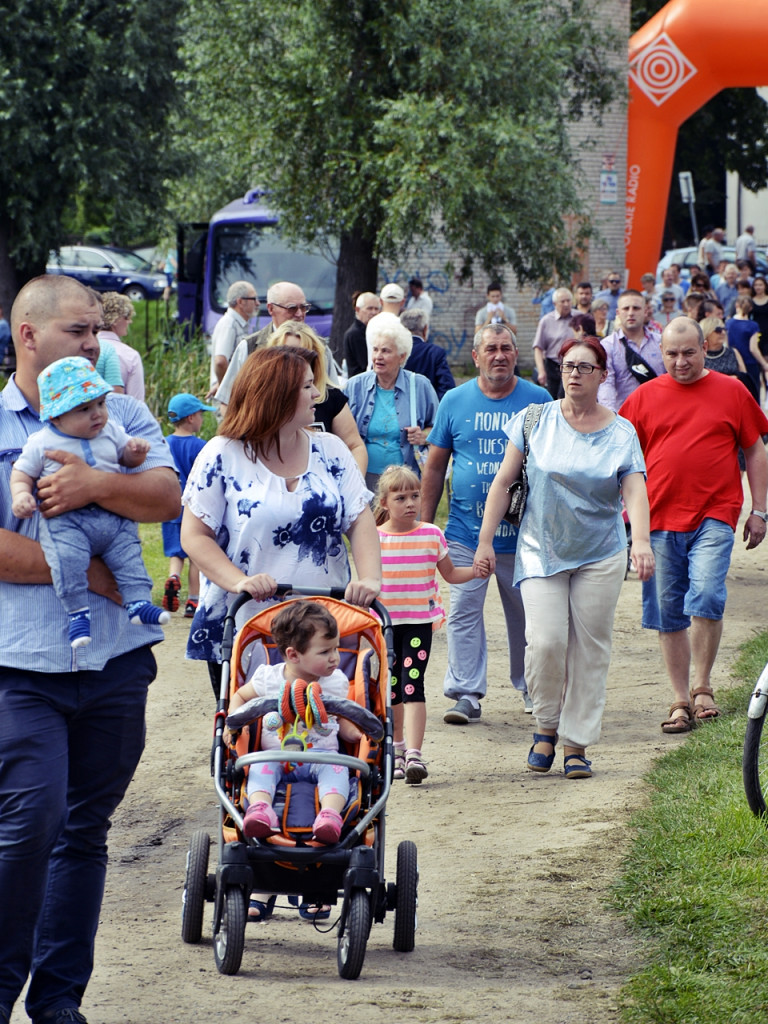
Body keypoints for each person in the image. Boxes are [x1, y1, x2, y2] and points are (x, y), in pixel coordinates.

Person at [0, 274, 179, 1024]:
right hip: (23, 667)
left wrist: (93, 483)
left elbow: (166, 495)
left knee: (84, 832)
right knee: (28, 829)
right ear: (29, 336)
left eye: (99, 328)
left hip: (114, 663)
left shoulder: (123, 411)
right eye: (79, 329)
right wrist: (96, 573)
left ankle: (59, 1002)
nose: (95, 340)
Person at [474, 337, 654, 779]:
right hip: (540, 548)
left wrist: (643, 542)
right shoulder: (535, 420)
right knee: (547, 641)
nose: (574, 374)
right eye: (568, 366)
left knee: (591, 649)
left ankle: (576, 743)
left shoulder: (621, 431)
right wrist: (484, 541)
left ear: (602, 375)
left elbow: (634, 489)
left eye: (584, 367)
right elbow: (503, 482)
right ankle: (546, 725)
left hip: (600, 552)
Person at [180, 346, 381, 696]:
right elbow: (195, 536)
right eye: (307, 386)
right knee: (250, 734)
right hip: (245, 623)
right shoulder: (222, 453)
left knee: (326, 730)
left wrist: (370, 579)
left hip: (319, 625)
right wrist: (240, 581)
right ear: (277, 395)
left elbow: (360, 521)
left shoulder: (331, 450)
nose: (318, 394)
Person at [620, 317, 768, 733]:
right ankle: (680, 698)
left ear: (705, 348)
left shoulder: (732, 390)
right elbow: (622, 460)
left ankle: (703, 686)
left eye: (689, 352)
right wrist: (628, 517)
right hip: (659, 519)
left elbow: (755, 450)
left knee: (705, 593)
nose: (680, 361)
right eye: (671, 354)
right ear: (660, 353)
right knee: (669, 612)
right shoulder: (643, 398)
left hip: (715, 514)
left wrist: (760, 510)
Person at [420, 323, 552, 721]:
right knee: (463, 609)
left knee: (527, 614)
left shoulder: (539, 401)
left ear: (517, 354)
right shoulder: (455, 401)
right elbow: (434, 467)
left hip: (524, 535)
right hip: (464, 531)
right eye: (491, 349)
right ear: (476, 356)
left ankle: (533, 688)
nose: (499, 355)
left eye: (507, 348)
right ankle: (466, 694)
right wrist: (424, 529)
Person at [10, 356, 170, 648]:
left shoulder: (110, 430)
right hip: (67, 522)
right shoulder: (42, 441)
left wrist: (137, 453)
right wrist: (21, 494)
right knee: (67, 563)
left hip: (112, 517)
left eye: (100, 404)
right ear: (56, 416)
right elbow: (22, 472)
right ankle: (77, 614)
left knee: (129, 557)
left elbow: (125, 456)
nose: (97, 414)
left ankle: (138, 604)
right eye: (84, 408)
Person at [374, 465, 486, 784]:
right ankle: (394, 751)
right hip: (385, 626)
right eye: (400, 497)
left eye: (415, 496)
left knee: (412, 684)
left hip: (419, 625)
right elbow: (366, 583)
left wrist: (476, 571)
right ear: (384, 503)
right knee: (392, 688)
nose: (410, 503)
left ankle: (414, 755)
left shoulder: (431, 534)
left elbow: (450, 574)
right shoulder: (375, 539)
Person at [228, 600, 362, 845]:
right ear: (293, 655)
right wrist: (234, 723)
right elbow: (240, 696)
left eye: (336, 648)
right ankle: (260, 809)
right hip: (275, 756)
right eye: (325, 652)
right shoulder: (268, 679)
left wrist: (355, 734)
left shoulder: (336, 682)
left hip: (324, 757)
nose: (335, 658)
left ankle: (329, 815)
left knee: (339, 772)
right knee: (258, 769)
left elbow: (340, 719)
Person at [345, 312, 438, 493]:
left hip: (404, 481)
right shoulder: (354, 386)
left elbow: (441, 429)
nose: (378, 356)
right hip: (362, 478)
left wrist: (425, 435)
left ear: (402, 357)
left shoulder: (419, 385)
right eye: (375, 349)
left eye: (386, 351)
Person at [265, 320, 367, 475]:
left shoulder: (329, 397)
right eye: (289, 354)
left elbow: (355, 446)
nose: (296, 362)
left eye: (304, 355)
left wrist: (352, 488)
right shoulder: (262, 400)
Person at [216, 282, 337, 407]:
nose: (300, 314)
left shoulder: (319, 347)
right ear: (271, 309)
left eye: (304, 307)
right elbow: (227, 400)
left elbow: (335, 398)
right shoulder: (249, 347)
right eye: (292, 308)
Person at [162, 393, 215, 618]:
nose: (202, 418)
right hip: (193, 507)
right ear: (192, 418)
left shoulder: (163, 443)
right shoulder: (201, 446)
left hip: (170, 506)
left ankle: (174, 577)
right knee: (195, 556)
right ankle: (193, 601)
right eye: (201, 414)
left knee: (177, 552)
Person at [597, 290, 664, 412]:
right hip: (625, 418)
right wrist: (611, 417)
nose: (631, 313)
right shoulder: (607, 346)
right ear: (618, 313)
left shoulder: (661, 342)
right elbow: (606, 384)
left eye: (636, 308)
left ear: (645, 312)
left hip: (659, 413)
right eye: (626, 308)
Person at [208, 280, 258, 400]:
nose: (257, 303)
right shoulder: (229, 325)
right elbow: (220, 361)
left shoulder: (237, 323)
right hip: (228, 399)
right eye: (254, 299)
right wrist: (226, 389)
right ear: (240, 302)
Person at [400, 307, 456, 400]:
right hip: (428, 407)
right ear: (425, 329)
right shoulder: (435, 353)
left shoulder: (395, 351)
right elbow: (446, 387)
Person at [97, 292, 145, 401]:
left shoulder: (83, 348)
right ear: (115, 319)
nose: (130, 321)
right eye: (127, 317)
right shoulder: (130, 356)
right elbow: (136, 403)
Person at [532, 287, 574, 398]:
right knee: (551, 399)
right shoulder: (546, 321)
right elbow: (538, 348)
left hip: (572, 366)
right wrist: (541, 371)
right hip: (552, 365)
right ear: (555, 304)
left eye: (568, 301)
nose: (566, 304)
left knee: (565, 397)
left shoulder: (579, 318)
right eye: (562, 301)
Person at [727, 296, 764, 396]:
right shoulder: (753, 325)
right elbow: (753, 349)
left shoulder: (728, 323)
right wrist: (764, 364)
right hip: (750, 363)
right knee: (753, 393)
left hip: (733, 363)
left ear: (736, 305)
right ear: (751, 308)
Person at [343, 291, 381, 378]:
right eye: (369, 308)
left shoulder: (370, 331)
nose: (374, 312)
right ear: (357, 309)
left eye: (376, 309)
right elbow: (366, 365)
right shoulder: (355, 334)